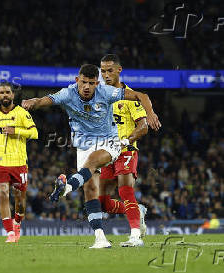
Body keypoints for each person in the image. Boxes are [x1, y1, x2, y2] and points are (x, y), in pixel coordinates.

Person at [22, 64, 161, 248]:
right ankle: (100, 238)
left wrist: (150, 113)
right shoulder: (68, 93)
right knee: (90, 192)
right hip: (83, 145)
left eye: (91, 83)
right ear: (77, 80)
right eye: (84, 82)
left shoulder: (107, 92)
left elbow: (141, 96)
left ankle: (66, 189)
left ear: (97, 83)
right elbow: (46, 100)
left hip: (109, 142)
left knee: (94, 164)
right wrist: (35, 101)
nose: (87, 87)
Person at [99, 54, 148, 247]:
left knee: (125, 190)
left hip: (126, 151)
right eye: (102, 71)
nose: (106, 74)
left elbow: (143, 127)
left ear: (119, 70)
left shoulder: (130, 96)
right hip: (106, 154)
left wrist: (125, 141)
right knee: (102, 202)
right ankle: (138, 210)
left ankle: (135, 236)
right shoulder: (100, 96)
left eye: (110, 70)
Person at [0, 82, 38, 243]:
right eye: (1, 93)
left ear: (12, 95)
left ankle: (17, 222)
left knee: (20, 201)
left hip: (19, 164)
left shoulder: (22, 113)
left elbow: (34, 133)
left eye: (7, 92)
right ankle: (10, 233)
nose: (4, 95)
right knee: (3, 195)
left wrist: (15, 131)